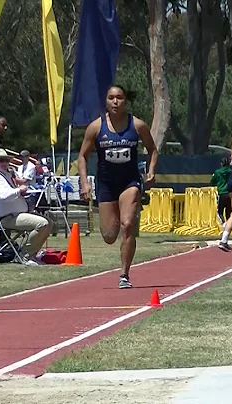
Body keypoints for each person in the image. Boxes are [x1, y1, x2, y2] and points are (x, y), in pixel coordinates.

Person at [77, 85, 158, 289]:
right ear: (106, 101)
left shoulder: (137, 125)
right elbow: (82, 157)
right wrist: (84, 182)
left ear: (125, 101)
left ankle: (124, 274)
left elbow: (152, 149)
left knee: (127, 224)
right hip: (106, 185)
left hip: (129, 182)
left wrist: (152, 171)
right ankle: (120, 258)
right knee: (109, 236)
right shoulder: (96, 127)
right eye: (111, 97)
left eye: (119, 97)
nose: (115, 101)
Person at [0, 149, 53, 266]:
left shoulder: (3, 175)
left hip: (14, 214)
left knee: (49, 222)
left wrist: (20, 193)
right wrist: (19, 190)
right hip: (6, 217)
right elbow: (2, 196)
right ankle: (25, 256)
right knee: (42, 224)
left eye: (7, 160)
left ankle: (32, 254)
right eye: (2, 160)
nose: (5, 163)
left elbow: (8, 193)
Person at [210, 157, 231, 225]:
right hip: (231, 194)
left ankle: (224, 225)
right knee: (229, 212)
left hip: (222, 193)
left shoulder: (217, 172)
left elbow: (212, 181)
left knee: (219, 212)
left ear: (221, 164)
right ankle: (229, 226)